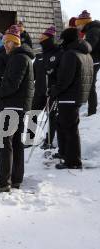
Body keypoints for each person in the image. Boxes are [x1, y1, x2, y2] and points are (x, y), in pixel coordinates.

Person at [0, 25, 35, 192]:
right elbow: (9, 82)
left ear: (14, 42)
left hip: (13, 105)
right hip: (17, 105)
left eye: (7, 42)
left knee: (4, 143)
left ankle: (3, 181)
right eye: (4, 41)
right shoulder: (19, 57)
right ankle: (15, 178)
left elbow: (12, 85)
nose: (5, 45)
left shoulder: (19, 58)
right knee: (15, 143)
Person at [50, 28, 94, 169]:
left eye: (63, 39)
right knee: (64, 126)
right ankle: (65, 154)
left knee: (69, 129)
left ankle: (73, 161)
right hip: (77, 96)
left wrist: (54, 90)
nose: (61, 42)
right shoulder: (86, 54)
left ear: (68, 39)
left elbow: (65, 79)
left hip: (69, 96)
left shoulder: (70, 54)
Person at [27, 26, 62, 149]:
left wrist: (55, 88)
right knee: (32, 113)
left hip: (52, 92)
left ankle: (48, 141)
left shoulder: (58, 53)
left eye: (43, 38)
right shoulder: (39, 56)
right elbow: (33, 75)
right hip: (39, 91)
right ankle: (29, 139)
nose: (41, 41)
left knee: (51, 117)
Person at [76, 10, 100, 116]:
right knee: (89, 85)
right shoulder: (90, 30)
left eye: (79, 25)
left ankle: (92, 111)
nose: (78, 27)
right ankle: (91, 109)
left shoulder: (93, 30)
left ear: (83, 23)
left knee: (90, 86)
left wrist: (79, 46)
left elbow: (89, 46)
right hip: (93, 60)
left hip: (95, 60)